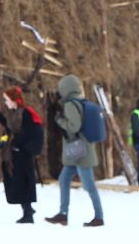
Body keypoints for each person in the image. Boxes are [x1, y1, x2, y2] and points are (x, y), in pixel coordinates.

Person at [45, 75, 105, 227]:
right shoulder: (81, 102)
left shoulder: (70, 105)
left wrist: (59, 120)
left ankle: (99, 217)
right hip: (79, 150)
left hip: (80, 151)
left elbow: (74, 126)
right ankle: (63, 214)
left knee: (89, 184)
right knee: (64, 179)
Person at [0, 86, 44, 224]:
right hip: (17, 152)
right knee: (19, 182)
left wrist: (16, 145)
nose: (6, 102)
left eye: (7, 99)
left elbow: (25, 132)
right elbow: (11, 128)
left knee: (23, 182)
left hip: (23, 153)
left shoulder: (25, 113)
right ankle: (27, 211)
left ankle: (28, 212)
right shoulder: (16, 113)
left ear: (14, 99)